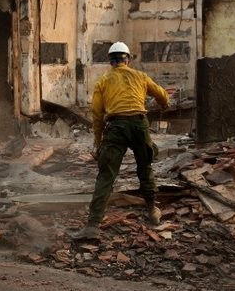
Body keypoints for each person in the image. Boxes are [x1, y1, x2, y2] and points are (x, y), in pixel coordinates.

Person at [71, 41, 170, 241]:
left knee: (106, 175)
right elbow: (162, 94)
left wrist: (99, 143)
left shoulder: (103, 81)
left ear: (111, 61)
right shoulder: (140, 76)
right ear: (128, 60)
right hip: (139, 125)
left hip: (115, 128)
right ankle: (152, 211)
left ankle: (92, 226)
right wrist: (164, 105)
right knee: (145, 167)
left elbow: (97, 115)